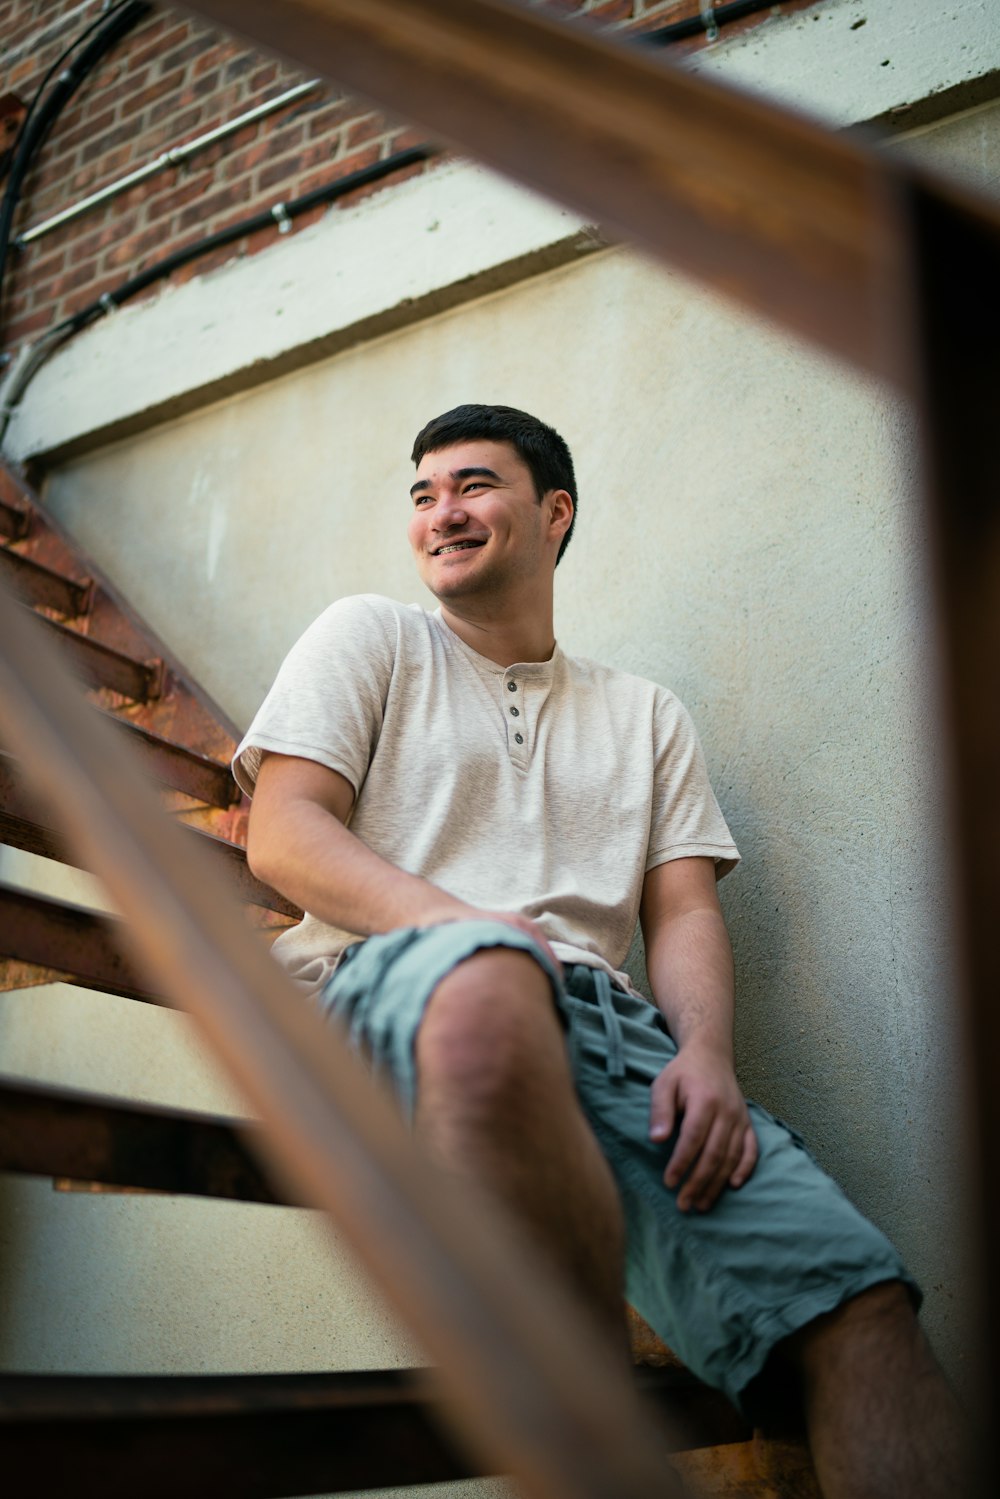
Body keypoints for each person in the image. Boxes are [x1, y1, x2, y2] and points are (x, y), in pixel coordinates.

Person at [234, 404, 964, 1497]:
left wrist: (706, 1054)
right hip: (398, 984)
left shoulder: (645, 713)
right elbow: (283, 833)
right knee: (486, 986)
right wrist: (459, 925)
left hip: (619, 1039)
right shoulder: (370, 636)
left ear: (553, 511)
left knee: (859, 1302)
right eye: (422, 493)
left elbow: (684, 914)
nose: (440, 513)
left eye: (472, 485)